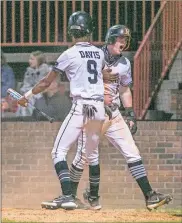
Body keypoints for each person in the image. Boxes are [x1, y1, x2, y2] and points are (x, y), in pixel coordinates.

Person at [69, 25, 173, 211]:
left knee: (132, 152)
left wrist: (130, 113)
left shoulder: (124, 63)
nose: (123, 43)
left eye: (126, 40)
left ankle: (150, 196)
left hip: (114, 114)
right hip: (93, 112)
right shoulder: (94, 56)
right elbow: (82, 81)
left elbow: (124, 89)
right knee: (83, 156)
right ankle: (70, 196)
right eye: (120, 39)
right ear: (110, 39)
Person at [18, 11, 106, 210]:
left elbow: (46, 82)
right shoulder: (100, 53)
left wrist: (27, 96)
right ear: (89, 30)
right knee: (91, 155)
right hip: (98, 108)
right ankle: (94, 199)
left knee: (58, 151)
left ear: (71, 31)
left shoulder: (69, 54)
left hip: (81, 106)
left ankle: (67, 196)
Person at [16, 51, 50, 117]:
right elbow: (26, 84)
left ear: (39, 60)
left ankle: (30, 117)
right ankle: (23, 117)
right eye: (29, 59)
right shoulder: (29, 71)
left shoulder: (46, 70)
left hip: (41, 93)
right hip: (30, 92)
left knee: (28, 98)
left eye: (32, 59)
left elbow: (42, 85)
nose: (29, 61)